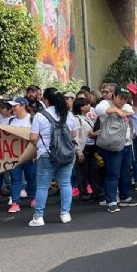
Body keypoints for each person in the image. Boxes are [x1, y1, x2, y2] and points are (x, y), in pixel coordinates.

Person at [28, 89, 79, 226]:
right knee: (65, 183)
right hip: (67, 154)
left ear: (46, 100)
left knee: (42, 186)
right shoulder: (68, 115)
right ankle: (65, 214)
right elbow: (74, 134)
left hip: (46, 154)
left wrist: (40, 143)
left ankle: (38, 217)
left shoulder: (40, 116)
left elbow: (33, 138)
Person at [96, 84, 137, 212]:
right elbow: (98, 110)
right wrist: (116, 110)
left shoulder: (127, 106)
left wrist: (125, 111)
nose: (123, 101)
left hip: (127, 144)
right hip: (112, 146)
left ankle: (125, 197)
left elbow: (133, 113)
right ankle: (111, 201)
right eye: (121, 98)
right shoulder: (105, 103)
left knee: (125, 173)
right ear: (114, 96)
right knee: (112, 173)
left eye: (126, 99)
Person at [5, 97, 37, 213]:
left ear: (23, 105)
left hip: (30, 155)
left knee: (31, 178)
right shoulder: (10, 121)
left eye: (15, 106)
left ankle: (33, 198)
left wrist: (36, 153)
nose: (13, 108)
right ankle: (15, 202)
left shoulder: (32, 119)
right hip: (15, 155)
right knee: (15, 180)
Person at [73, 97, 103, 202]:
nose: (88, 106)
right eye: (86, 104)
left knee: (93, 171)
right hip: (83, 148)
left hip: (91, 146)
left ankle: (96, 192)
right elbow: (76, 137)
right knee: (82, 172)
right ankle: (84, 192)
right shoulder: (76, 119)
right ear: (80, 107)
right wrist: (79, 152)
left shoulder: (87, 117)